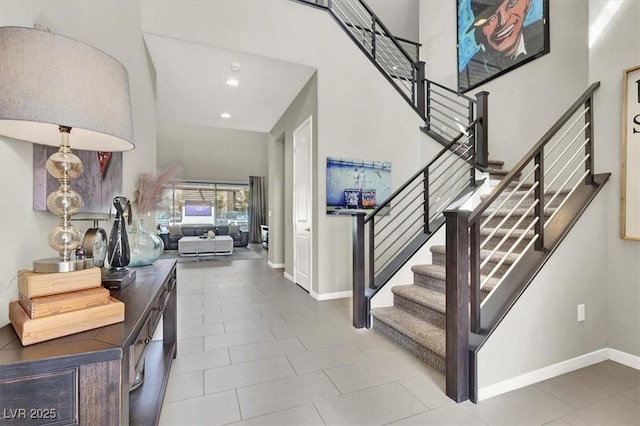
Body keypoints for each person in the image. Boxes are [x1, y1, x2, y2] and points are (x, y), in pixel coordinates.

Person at [459, 0, 545, 91]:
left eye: (511, 3)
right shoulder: (472, 72)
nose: (503, 21)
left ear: (527, 3)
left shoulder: (540, 35)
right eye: (490, 19)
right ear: (481, 29)